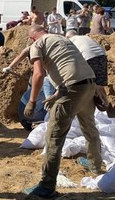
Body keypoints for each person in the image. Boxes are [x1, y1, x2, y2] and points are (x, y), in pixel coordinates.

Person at [22, 25, 102, 198]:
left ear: (32, 38)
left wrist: (31, 101)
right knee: (89, 128)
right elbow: (70, 68)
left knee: (54, 137)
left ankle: (46, 186)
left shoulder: (37, 44)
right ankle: (95, 166)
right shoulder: (62, 39)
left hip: (73, 88)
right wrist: (57, 94)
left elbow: (38, 74)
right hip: (89, 85)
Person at [2, 46, 55, 131]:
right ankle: (37, 119)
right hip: (30, 115)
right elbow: (20, 57)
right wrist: (10, 67)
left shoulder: (47, 52)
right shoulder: (30, 48)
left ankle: (33, 117)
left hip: (46, 70)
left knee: (39, 87)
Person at [66, 30, 109, 110]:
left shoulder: (70, 41)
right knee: (99, 85)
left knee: (89, 84)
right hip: (102, 56)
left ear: (68, 37)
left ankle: (90, 108)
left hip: (89, 57)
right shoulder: (85, 37)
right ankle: (106, 105)